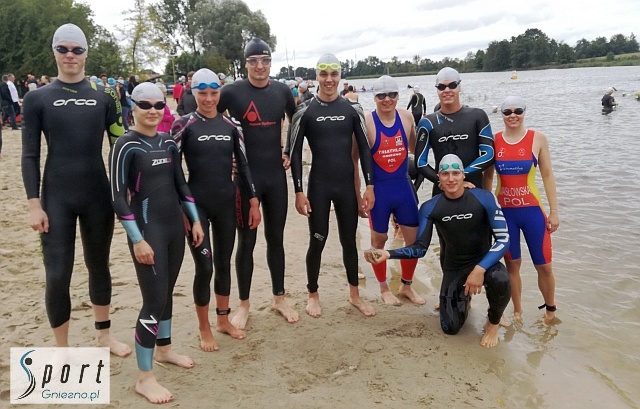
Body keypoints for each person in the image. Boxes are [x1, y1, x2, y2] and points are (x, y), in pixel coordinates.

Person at [21, 23, 129, 356]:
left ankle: (103, 337)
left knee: (99, 266)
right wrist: (34, 204)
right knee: (57, 274)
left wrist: (125, 191)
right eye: (63, 49)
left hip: (97, 194)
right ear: (54, 52)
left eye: (77, 50)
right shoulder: (37, 98)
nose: (70, 55)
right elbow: (29, 155)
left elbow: (120, 147)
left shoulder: (105, 96)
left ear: (86, 53)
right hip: (56, 198)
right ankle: (62, 348)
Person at [110, 82, 204, 404]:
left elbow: (181, 185)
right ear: (133, 107)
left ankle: (164, 349)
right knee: (153, 301)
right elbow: (118, 198)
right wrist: (136, 240)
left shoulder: (167, 142)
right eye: (145, 105)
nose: (152, 111)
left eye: (158, 105)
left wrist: (195, 220)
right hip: (147, 232)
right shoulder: (125, 145)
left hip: (173, 230)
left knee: (166, 293)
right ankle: (144, 377)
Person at [364, 154, 511, 348]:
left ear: (463, 175)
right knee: (450, 327)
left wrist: (480, 269)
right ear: (439, 178)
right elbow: (420, 248)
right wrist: (388, 254)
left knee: (501, 279)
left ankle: (493, 323)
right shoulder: (430, 207)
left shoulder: (484, 198)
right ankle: (464, 297)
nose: (451, 179)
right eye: (445, 174)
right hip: (455, 268)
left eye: (456, 173)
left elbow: (504, 239)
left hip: (484, 264)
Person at [171, 68, 260, 351]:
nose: (209, 99)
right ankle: (204, 327)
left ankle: (223, 320)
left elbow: (243, 165)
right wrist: (182, 208)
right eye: (203, 93)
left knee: (223, 264)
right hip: (196, 206)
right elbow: (174, 171)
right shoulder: (184, 124)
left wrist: (253, 201)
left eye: (213, 93)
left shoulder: (232, 125)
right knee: (205, 267)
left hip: (226, 203)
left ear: (219, 92)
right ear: (193, 93)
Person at [217, 38, 298, 329]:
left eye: (265, 60)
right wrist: (226, 157)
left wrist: (288, 151)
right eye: (253, 61)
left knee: (276, 239)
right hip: (245, 178)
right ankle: (244, 305)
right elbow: (208, 120)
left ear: (271, 62)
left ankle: (279, 299)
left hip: (275, 176)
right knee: (246, 242)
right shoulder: (232, 92)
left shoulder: (282, 91)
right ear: (246, 63)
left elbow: (297, 122)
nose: (260, 66)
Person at [289, 53, 376, 317]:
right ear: (316, 76)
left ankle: (354, 295)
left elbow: (365, 150)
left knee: (349, 241)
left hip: (345, 187)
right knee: (318, 240)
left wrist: (369, 186)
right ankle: (312, 295)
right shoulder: (305, 110)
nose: (329, 80)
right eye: (324, 74)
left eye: (334, 74)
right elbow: (294, 153)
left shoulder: (352, 109)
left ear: (340, 76)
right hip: (319, 185)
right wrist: (299, 191)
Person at [415, 67, 495, 272]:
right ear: (436, 89)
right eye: (441, 87)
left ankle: (477, 286)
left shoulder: (477, 116)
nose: (447, 90)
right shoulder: (428, 122)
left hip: (473, 189)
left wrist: (460, 177)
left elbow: (489, 154)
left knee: (482, 246)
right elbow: (421, 163)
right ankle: (451, 289)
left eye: (452, 85)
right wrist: (444, 181)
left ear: (459, 86)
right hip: (442, 190)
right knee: (448, 247)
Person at [493, 96, 559, 324]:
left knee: (544, 266)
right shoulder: (494, 140)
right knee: (512, 265)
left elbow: (547, 175)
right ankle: (517, 312)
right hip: (506, 214)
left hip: (532, 212)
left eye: (518, 111)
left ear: (524, 112)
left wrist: (554, 211)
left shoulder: (537, 138)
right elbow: (487, 177)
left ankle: (550, 310)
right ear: (502, 115)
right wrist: (486, 209)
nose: (513, 115)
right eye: (507, 111)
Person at [364, 75, 423, 305]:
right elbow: (354, 159)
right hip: (379, 191)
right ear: (374, 97)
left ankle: (406, 285)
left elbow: (416, 149)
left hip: (402, 187)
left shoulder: (406, 117)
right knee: (378, 240)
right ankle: (383, 287)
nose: (387, 99)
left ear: (398, 96)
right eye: (381, 95)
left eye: (392, 94)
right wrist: (360, 191)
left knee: (413, 240)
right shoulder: (367, 121)